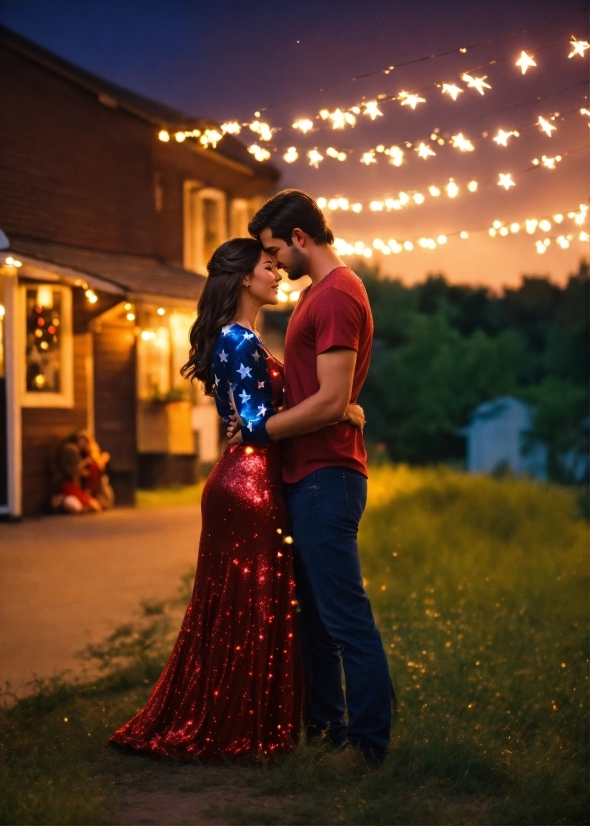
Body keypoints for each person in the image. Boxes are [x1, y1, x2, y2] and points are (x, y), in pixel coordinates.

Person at [109, 238, 364, 762]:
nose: (278, 275)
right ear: (245, 278)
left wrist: (329, 410)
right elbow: (250, 425)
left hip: (250, 476)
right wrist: (338, 412)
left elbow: (257, 419)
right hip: (248, 485)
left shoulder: (243, 338)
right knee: (250, 606)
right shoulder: (239, 342)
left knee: (251, 605)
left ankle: (250, 715)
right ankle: (235, 725)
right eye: (268, 267)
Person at [238, 190, 395, 766]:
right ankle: (325, 730)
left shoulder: (336, 296)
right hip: (308, 474)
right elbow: (328, 395)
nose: (274, 262)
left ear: (300, 237)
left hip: (328, 475)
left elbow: (329, 400)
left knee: (346, 618)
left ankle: (369, 745)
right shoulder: (315, 297)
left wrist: (260, 431)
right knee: (317, 622)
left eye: (275, 250)